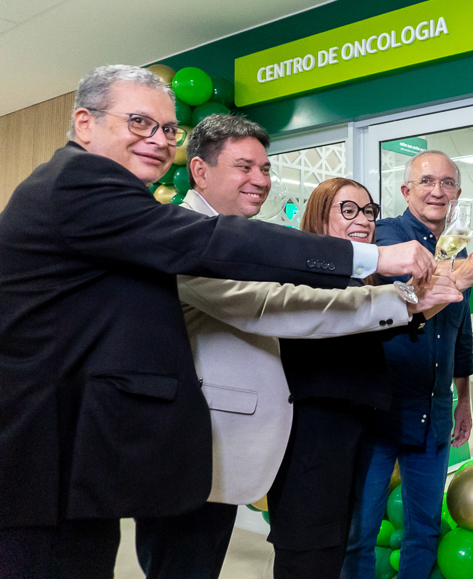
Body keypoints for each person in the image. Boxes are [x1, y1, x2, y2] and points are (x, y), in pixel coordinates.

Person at [0, 65, 435, 578]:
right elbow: (217, 246)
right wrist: (371, 258)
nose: (159, 140)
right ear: (85, 123)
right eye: (139, 122)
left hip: (78, 448)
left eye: (168, 129)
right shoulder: (80, 180)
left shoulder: (109, 197)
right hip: (44, 446)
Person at [133, 115, 460, 579]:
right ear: (200, 171)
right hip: (188, 439)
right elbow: (270, 306)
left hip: (236, 442)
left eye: (265, 169)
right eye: (244, 167)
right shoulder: (181, 231)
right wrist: (405, 297)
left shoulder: (239, 235)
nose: (260, 180)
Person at [270, 176, 460, 579]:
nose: (363, 220)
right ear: (319, 217)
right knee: (313, 554)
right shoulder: (308, 277)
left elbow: (385, 319)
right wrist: (455, 278)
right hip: (313, 449)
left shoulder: (358, 282)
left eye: (369, 211)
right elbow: (363, 314)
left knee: (337, 546)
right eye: (348, 210)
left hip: (351, 439)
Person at [342, 150, 473, 579]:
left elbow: (460, 330)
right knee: (359, 534)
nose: (438, 191)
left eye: (447, 183)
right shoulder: (385, 237)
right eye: (427, 181)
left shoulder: (463, 249)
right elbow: (403, 297)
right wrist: (462, 271)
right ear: (406, 190)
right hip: (379, 413)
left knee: (424, 532)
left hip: (432, 414)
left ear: (457, 193)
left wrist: (463, 398)